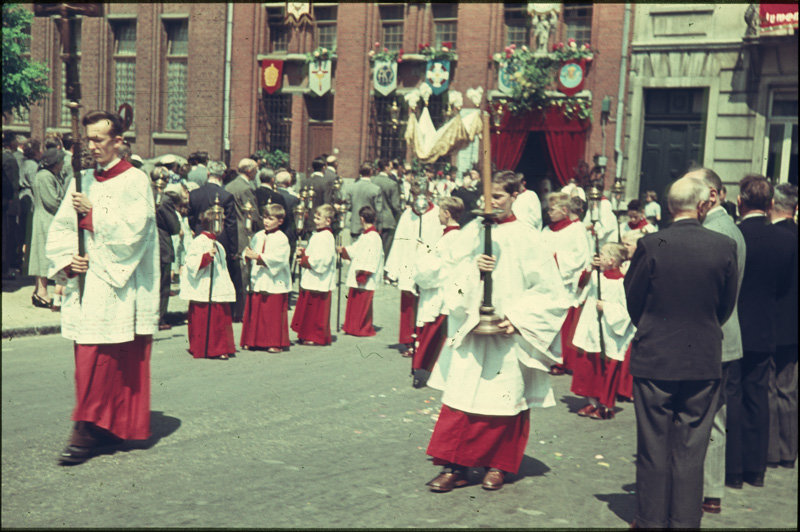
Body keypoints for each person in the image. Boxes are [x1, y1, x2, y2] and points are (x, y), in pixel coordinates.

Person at [424, 170, 570, 492]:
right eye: (486, 197)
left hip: (507, 334)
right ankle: (455, 466)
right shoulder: (471, 231)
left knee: (505, 398)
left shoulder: (528, 237)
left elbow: (551, 292)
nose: (490, 204)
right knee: (462, 397)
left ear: (516, 195)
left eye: (499, 197)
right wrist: (471, 270)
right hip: (472, 328)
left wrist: (517, 318)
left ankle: (498, 465)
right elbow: (445, 272)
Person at [45, 109, 159, 465]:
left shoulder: (135, 180)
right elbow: (64, 226)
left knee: (107, 358)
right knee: (88, 355)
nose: (92, 146)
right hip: (88, 282)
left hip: (120, 285)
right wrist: (68, 260)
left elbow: (136, 230)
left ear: (119, 141)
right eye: (88, 140)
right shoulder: (84, 180)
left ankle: (89, 428)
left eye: (99, 139)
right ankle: (101, 425)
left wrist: (93, 215)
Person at [624, 174, 738, 528]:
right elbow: (726, 305)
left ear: (671, 206)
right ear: (703, 204)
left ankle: (651, 520)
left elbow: (633, 299)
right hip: (702, 355)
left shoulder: (651, 243)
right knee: (692, 449)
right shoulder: (723, 246)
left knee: (654, 446)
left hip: (656, 355)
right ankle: (685, 521)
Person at [683, 168, 746, 515]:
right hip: (724, 333)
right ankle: (710, 488)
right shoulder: (727, 228)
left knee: (704, 415)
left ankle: (704, 487)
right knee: (713, 415)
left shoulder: (714, 230)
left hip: (712, 333)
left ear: (711, 194)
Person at [732, 175, 796, 488]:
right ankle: (755, 469)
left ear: (740, 202)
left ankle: (733, 468)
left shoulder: (733, 236)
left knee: (732, 396)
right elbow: (784, 287)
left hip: (734, 326)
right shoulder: (786, 240)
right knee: (758, 397)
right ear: (770, 204)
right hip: (765, 326)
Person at [571, 243, 634, 420]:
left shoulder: (622, 282)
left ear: (612, 260)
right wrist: (590, 268)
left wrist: (606, 307)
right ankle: (592, 401)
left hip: (609, 331)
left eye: (603, 254)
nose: (599, 255)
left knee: (607, 367)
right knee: (590, 366)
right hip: (592, 329)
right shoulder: (596, 276)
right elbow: (581, 285)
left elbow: (626, 310)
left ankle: (606, 404)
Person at [411, 196, 464, 387]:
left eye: (441, 211)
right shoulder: (451, 236)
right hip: (440, 289)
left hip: (440, 291)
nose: (438, 215)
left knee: (433, 334)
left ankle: (428, 370)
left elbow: (437, 267)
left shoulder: (452, 237)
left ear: (447, 213)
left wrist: (421, 254)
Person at [385, 183, 441, 357]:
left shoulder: (436, 214)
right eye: (415, 195)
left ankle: (424, 340)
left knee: (427, 303)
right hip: (409, 263)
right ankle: (409, 340)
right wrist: (393, 268)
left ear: (429, 195)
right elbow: (398, 240)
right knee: (409, 305)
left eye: (422, 195)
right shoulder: (407, 215)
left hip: (428, 265)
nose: (419, 199)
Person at [542, 192, 591, 376]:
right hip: (545, 281)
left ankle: (560, 360)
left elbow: (579, 258)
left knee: (562, 323)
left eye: (552, 209)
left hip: (564, 282)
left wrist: (556, 259)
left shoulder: (576, 230)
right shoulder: (547, 230)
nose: (549, 213)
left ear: (564, 210)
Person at [767, 183, 798, 470]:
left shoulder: (773, 237)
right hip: (794, 325)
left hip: (773, 321)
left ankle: (773, 451)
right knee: (788, 389)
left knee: (770, 388)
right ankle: (789, 450)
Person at [180, 208, 236, 360]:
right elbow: (191, 262)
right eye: (220, 222)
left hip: (217, 286)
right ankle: (209, 349)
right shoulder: (199, 241)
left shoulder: (218, 244)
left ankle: (221, 346)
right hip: (204, 287)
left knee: (219, 318)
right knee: (208, 318)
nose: (222, 225)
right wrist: (205, 258)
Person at [240, 203, 292, 353]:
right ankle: (253, 340)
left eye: (270, 219)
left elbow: (279, 259)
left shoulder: (282, 238)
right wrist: (247, 255)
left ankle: (273, 341)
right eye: (265, 218)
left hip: (274, 279)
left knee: (271, 313)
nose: (266, 222)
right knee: (257, 309)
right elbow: (250, 251)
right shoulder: (258, 235)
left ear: (280, 221)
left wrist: (258, 257)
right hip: (259, 277)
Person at [291, 204, 337, 346]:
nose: (315, 221)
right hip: (312, 277)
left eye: (319, 218)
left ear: (328, 221)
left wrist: (305, 261)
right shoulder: (318, 235)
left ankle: (315, 336)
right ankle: (305, 333)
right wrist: (304, 253)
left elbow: (323, 259)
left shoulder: (326, 236)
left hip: (319, 278)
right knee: (309, 308)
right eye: (315, 218)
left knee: (316, 310)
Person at [338, 205, 384, 337]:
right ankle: (351, 326)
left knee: (362, 304)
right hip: (359, 273)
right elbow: (355, 249)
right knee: (355, 303)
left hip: (365, 275)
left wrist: (364, 273)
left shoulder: (373, 237)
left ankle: (360, 328)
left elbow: (372, 258)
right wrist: (344, 250)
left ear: (362, 219)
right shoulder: (365, 235)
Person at [225, 158, 262, 322]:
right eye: (256, 169)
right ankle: (241, 310)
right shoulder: (246, 188)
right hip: (243, 233)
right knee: (242, 274)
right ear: (249, 171)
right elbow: (253, 214)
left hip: (231, 232)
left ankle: (233, 309)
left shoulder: (230, 186)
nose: (257, 173)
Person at [28, 147, 65, 308]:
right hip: (46, 221)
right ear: (55, 162)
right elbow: (52, 201)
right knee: (43, 255)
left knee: (42, 254)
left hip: (45, 219)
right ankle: (42, 292)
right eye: (61, 161)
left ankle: (39, 291)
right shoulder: (45, 177)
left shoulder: (47, 175)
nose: (63, 164)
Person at [155, 178, 182, 331]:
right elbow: (174, 227)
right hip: (161, 243)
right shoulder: (165, 200)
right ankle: (159, 318)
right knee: (163, 284)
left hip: (144, 242)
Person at [373, 159, 403, 258]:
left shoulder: (372, 180)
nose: (391, 169)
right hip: (387, 220)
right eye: (390, 167)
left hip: (372, 218)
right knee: (384, 251)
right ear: (386, 168)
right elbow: (395, 205)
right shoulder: (392, 184)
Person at [345, 162, 381, 240]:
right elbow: (378, 209)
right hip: (369, 226)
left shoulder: (351, 187)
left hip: (355, 224)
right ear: (371, 172)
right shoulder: (376, 189)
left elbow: (348, 205)